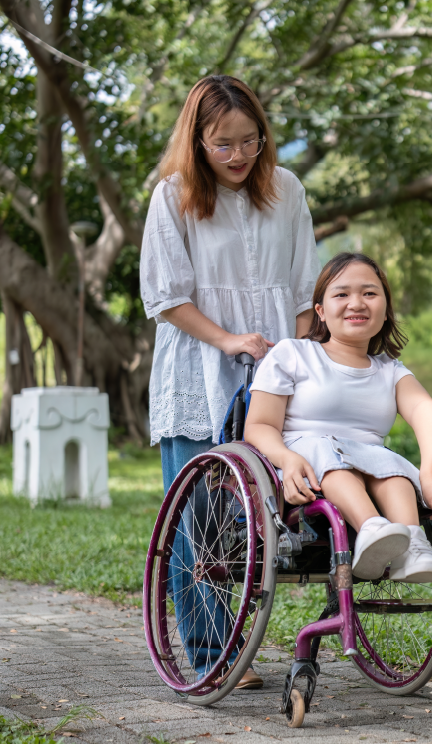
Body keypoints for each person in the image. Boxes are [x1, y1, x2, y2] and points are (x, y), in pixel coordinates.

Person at [140, 75, 319, 688]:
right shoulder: (173, 197)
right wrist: (228, 340)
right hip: (199, 365)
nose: (239, 156)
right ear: (197, 143)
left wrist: (293, 358)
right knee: (197, 515)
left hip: (271, 375)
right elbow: (166, 297)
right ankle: (210, 650)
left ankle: (238, 639)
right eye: (223, 145)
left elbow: (301, 290)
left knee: (254, 516)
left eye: (250, 141)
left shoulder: (287, 190)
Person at [245, 253, 432, 583]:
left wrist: (430, 475)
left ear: (385, 308)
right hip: (303, 459)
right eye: (342, 294)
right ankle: (370, 528)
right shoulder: (294, 354)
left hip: (367, 458)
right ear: (320, 309)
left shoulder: (390, 371)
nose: (356, 303)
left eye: (369, 293)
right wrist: (287, 459)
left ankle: (413, 544)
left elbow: (426, 413)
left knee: (393, 471)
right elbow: (259, 425)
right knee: (334, 461)